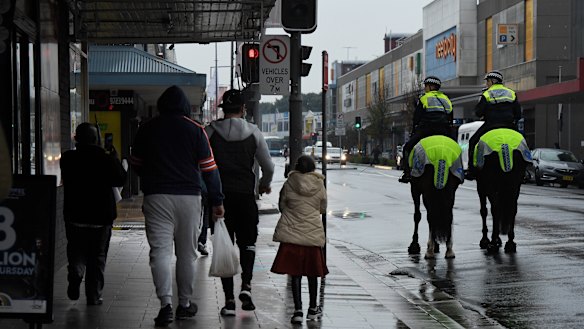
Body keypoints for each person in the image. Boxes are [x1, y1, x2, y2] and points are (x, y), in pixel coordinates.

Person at [130, 85, 224, 327]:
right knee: (187, 254)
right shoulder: (196, 130)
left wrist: (151, 176)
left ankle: (165, 305)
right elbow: (209, 170)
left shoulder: (146, 129)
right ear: (184, 106)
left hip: (156, 196)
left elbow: (136, 164)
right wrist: (217, 200)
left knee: (159, 252)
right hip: (188, 197)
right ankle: (184, 304)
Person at [205, 89, 274, 317]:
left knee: (224, 246)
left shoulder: (210, 133)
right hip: (245, 196)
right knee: (248, 244)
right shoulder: (254, 133)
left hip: (220, 199)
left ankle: (229, 301)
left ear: (223, 109)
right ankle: (246, 285)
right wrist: (263, 184)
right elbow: (269, 166)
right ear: (243, 109)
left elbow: (200, 165)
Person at [60, 122, 127, 306]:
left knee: (76, 249)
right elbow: (121, 178)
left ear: (76, 139)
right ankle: (94, 295)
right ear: (96, 139)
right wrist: (113, 157)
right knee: (97, 256)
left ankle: (76, 271)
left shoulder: (67, 158)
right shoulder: (104, 158)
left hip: (75, 216)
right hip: (101, 217)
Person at [271, 155, 328, 324]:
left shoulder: (289, 183)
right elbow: (322, 208)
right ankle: (312, 308)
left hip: (292, 235)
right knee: (312, 273)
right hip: (311, 235)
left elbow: (282, 205)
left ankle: (297, 310)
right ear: (313, 168)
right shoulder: (319, 184)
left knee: (295, 273)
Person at [466, 70, 522, 180]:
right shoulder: (511, 93)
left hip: (490, 125)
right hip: (509, 125)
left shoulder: (487, 94)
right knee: (522, 142)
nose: (487, 84)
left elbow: (479, 113)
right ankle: (525, 166)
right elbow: (518, 114)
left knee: (472, 141)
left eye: (487, 82)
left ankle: (471, 169)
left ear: (492, 81)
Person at [399, 76, 453, 183]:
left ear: (430, 86)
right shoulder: (446, 99)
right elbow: (450, 117)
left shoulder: (423, 98)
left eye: (426, 86)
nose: (425, 88)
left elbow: (416, 118)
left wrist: (414, 130)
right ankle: (457, 171)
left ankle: (407, 173)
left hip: (426, 130)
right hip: (444, 131)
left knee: (407, 148)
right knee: (457, 148)